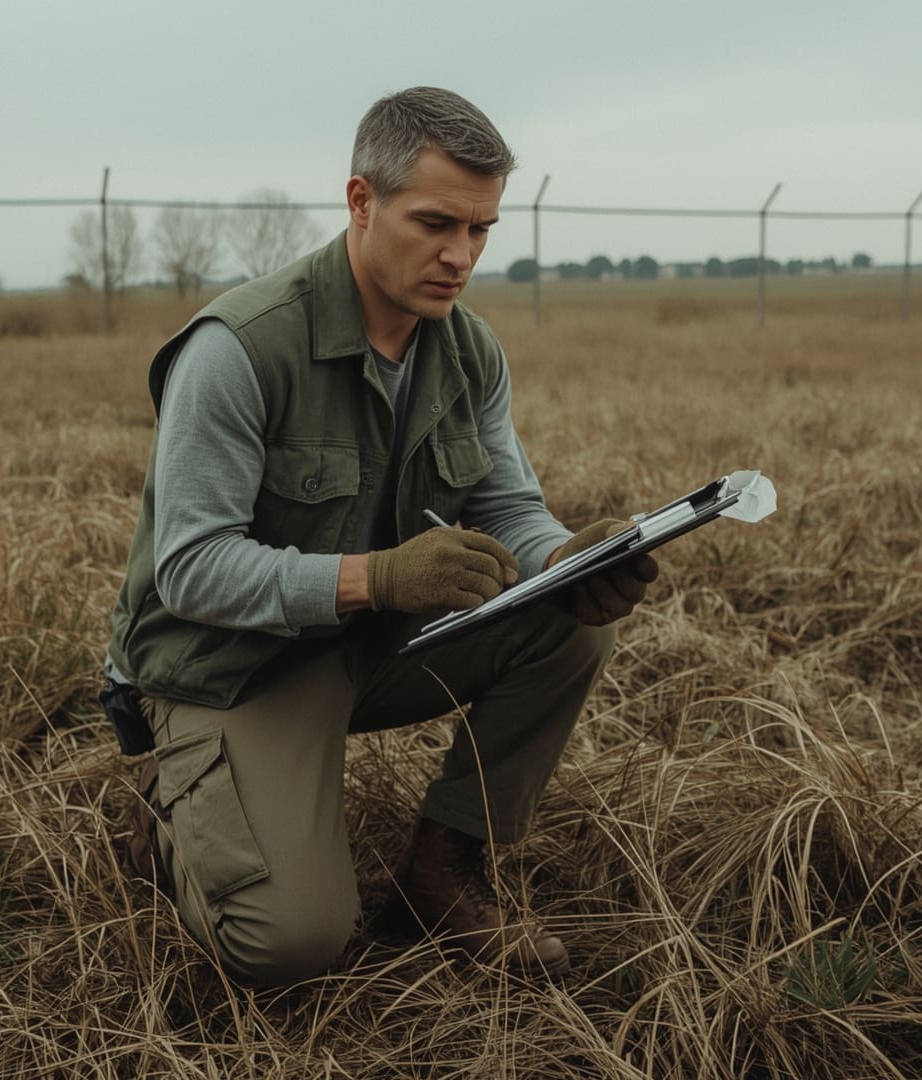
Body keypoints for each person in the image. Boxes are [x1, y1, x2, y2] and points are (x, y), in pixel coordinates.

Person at [104, 86, 659, 985]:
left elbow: (506, 503)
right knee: (288, 945)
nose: (461, 256)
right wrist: (379, 580)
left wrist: (564, 560)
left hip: (368, 643)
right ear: (361, 202)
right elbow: (192, 574)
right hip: (231, 664)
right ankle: (172, 812)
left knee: (571, 621)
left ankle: (443, 871)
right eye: (437, 222)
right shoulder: (239, 348)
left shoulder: (466, 348)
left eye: (481, 230)